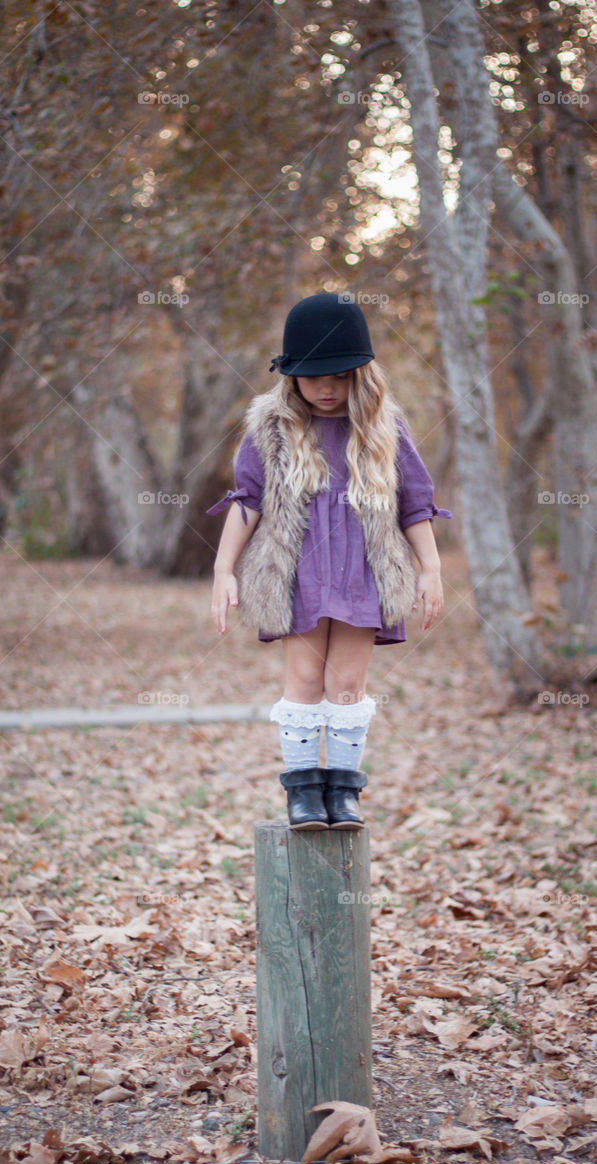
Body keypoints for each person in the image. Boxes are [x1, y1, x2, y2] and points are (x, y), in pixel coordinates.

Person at [208, 293, 450, 832]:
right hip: (298, 575)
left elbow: (414, 502)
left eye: (339, 374)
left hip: (364, 572)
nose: (326, 387)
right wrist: (225, 569)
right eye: (313, 375)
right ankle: (302, 793)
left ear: (360, 373)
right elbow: (247, 499)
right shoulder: (271, 427)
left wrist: (430, 568)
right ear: (290, 375)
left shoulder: (384, 428)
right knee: (304, 680)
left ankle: (342, 792)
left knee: (347, 686)